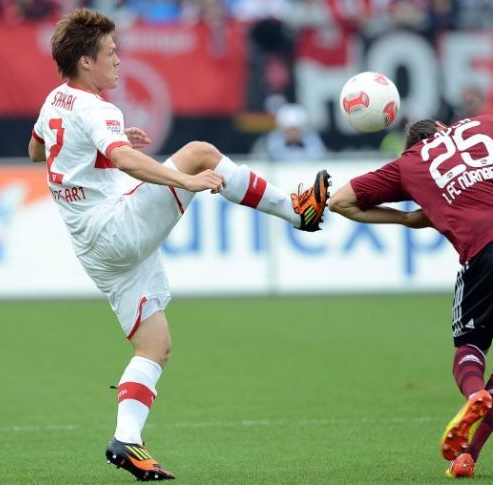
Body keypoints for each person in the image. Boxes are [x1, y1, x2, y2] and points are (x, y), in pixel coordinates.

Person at [27, 8, 330, 481]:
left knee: (155, 345)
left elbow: (36, 150)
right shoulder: (97, 107)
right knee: (200, 154)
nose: (118, 61)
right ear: (85, 61)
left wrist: (94, 145)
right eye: (110, 53)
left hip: (93, 249)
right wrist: (185, 179)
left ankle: (126, 440)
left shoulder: (55, 102)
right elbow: (127, 160)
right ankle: (299, 211)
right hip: (115, 227)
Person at [328, 114, 493, 478]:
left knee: (469, 344)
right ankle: (468, 455)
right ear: (443, 126)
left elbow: (339, 201)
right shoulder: (490, 124)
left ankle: (475, 394)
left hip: (492, 246)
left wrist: (408, 219)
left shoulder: (409, 164)